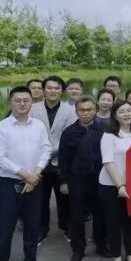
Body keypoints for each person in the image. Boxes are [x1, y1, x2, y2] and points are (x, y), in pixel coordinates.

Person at [0, 86, 51, 261]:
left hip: (35, 182)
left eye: (26, 100)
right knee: (5, 229)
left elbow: (46, 149)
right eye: (18, 100)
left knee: (33, 226)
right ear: (10, 103)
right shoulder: (1, 128)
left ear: (32, 102)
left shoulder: (39, 125)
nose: (22, 104)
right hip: (10, 185)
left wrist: (36, 173)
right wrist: (26, 175)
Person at [58, 95, 107, 261]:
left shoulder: (105, 130)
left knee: (101, 214)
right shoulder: (69, 132)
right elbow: (63, 159)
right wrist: (64, 181)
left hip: (100, 178)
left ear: (95, 110)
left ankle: (102, 245)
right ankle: (78, 249)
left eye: (89, 110)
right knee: (77, 216)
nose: (86, 113)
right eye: (82, 110)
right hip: (77, 179)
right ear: (76, 111)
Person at [99, 99, 131, 261]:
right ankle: (117, 257)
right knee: (114, 223)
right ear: (115, 116)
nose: (126, 114)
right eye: (122, 112)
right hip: (111, 185)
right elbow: (108, 162)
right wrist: (120, 186)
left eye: (129, 111)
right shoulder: (109, 135)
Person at [30, 75, 76, 245]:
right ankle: (41, 229)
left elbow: (69, 136)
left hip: (61, 162)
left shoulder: (70, 110)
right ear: (43, 90)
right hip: (38, 163)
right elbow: (29, 134)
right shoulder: (33, 109)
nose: (53, 91)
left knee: (64, 198)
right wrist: (43, 153)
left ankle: (66, 227)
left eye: (57, 88)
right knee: (40, 199)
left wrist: (48, 151)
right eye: (49, 88)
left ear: (62, 91)